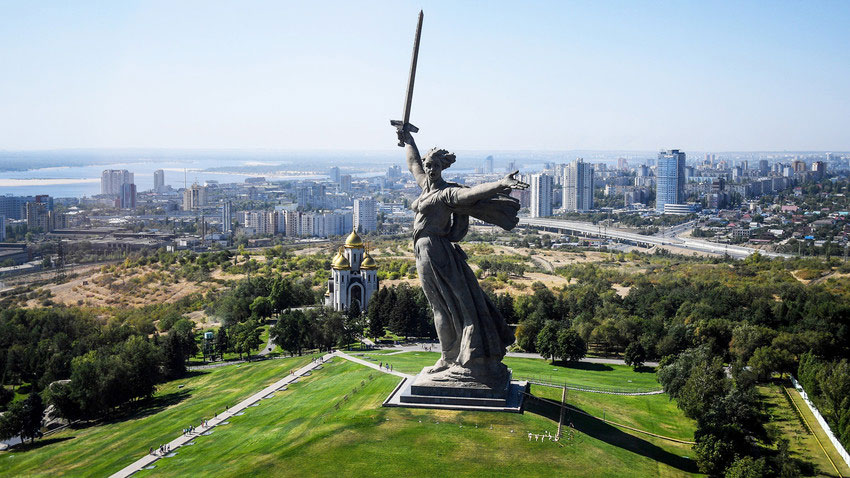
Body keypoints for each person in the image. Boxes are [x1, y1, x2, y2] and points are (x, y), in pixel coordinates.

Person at [400, 130, 527, 385]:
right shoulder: (425, 185)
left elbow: (472, 194)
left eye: (436, 166)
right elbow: (413, 163)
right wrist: (408, 139)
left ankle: (463, 357)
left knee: (456, 305)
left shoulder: (446, 194)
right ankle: (448, 357)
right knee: (439, 306)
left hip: (436, 251)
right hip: (422, 251)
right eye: (429, 165)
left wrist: (501, 183)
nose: (431, 169)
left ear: (442, 168)